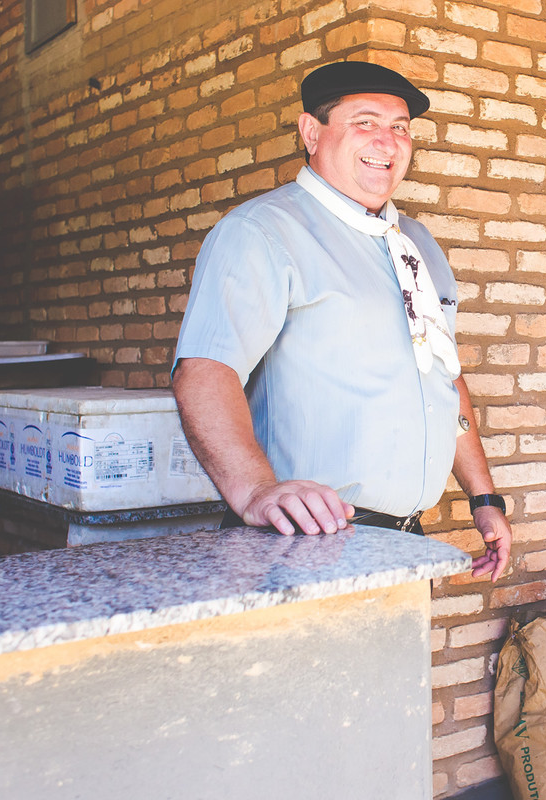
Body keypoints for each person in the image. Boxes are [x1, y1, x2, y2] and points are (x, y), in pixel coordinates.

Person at [172, 61, 510, 581]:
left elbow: (444, 376)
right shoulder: (262, 232)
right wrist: (255, 490)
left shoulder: (417, 246)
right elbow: (204, 369)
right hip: (302, 548)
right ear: (311, 132)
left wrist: (483, 495)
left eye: (400, 127)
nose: (387, 141)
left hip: (403, 544)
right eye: (365, 122)